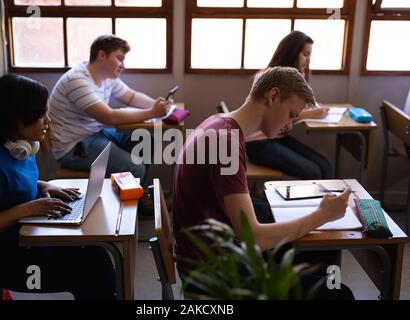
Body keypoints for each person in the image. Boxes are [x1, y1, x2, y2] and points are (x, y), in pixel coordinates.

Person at [173, 67, 354, 299]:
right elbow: (255, 238)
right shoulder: (226, 142)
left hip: (214, 254)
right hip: (216, 275)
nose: (290, 125)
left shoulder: (219, 123)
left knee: (323, 251)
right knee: (340, 293)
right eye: (291, 114)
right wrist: (321, 215)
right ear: (274, 96)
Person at [0, 75, 116, 300]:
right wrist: (28, 209)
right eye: (40, 115)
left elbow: (12, 186)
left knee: (96, 254)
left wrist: (43, 186)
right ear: (15, 118)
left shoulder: (19, 147)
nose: (48, 120)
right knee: (89, 273)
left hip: (23, 239)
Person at [48, 34, 171, 185]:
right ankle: (137, 200)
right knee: (135, 168)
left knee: (145, 140)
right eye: (119, 58)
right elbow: (108, 117)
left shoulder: (106, 76)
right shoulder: (77, 81)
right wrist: (152, 112)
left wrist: (160, 106)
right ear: (101, 55)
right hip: (74, 147)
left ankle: (137, 193)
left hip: (95, 134)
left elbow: (131, 96)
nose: (123, 65)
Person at [245, 31, 332, 180]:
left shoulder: (295, 78)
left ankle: (326, 202)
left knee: (325, 166)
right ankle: (316, 203)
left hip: (279, 138)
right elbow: (273, 114)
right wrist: (311, 113)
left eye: (310, 55)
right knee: (313, 172)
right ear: (292, 53)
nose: (308, 60)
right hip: (258, 142)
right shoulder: (267, 77)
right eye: (305, 54)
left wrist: (312, 108)